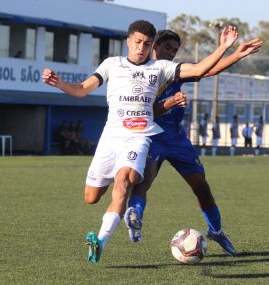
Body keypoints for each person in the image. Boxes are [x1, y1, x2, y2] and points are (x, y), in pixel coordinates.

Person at [42, 20, 240, 263]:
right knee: (91, 197)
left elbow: (200, 69)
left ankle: (100, 242)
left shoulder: (161, 68)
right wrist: (59, 84)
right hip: (111, 138)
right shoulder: (111, 64)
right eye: (138, 42)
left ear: (151, 45)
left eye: (146, 44)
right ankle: (127, 216)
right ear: (128, 41)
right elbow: (83, 89)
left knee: (124, 183)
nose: (141, 48)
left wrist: (224, 47)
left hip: (140, 137)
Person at [124, 29, 262, 256]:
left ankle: (216, 230)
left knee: (201, 186)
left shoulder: (175, 71)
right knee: (144, 180)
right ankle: (135, 217)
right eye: (167, 47)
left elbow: (206, 69)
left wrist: (237, 54)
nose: (171, 52)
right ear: (154, 46)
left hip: (177, 139)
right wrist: (169, 103)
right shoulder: (138, 73)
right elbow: (141, 109)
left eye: (174, 50)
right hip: (150, 137)